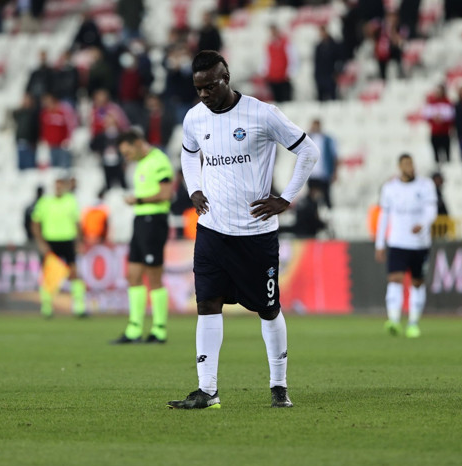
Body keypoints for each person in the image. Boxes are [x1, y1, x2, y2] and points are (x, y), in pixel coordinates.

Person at [168, 50, 320, 410]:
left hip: (256, 234)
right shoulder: (194, 119)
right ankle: (208, 391)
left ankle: (279, 386)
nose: (203, 94)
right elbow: (188, 154)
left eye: (209, 86)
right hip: (212, 231)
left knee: (268, 309)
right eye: (198, 88)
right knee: (207, 305)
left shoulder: (261, 114)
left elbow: (308, 152)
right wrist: (194, 189)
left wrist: (285, 199)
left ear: (226, 77)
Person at [110, 129, 175, 344]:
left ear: (138, 143)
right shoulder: (141, 164)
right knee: (133, 275)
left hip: (154, 221)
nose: (126, 156)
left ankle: (159, 329)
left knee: (153, 276)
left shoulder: (159, 161)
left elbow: (166, 193)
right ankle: (134, 329)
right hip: (140, 222)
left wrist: (137, 200)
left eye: (127, 152)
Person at [374, 154, 437, 338]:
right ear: (399, 166)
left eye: (411, 163)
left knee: (417, 282)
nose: (409, 167)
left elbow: (432, 211)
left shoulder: (426, 185)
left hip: (420, 243)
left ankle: (413, 323)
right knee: (395, 279)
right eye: (405, 164)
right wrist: (380, 243)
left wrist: (423, 224)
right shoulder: (390, 188)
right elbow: (384, 217)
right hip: (397, 241)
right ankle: (393, 320)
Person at [31, 176, 86, 318]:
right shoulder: (44, 202)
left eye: (61, 186)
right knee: (49, 275)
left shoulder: (71, 201)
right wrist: (41, 243)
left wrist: (79, 241)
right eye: (56, 185)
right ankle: (47, 307)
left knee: (74, 273)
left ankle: (79, 307)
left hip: (67, 240)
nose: (58, 188)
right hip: (51, 241)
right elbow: (35, 223)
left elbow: (77, 222)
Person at [39, 93, 77, 168]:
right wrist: (43, 139)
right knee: (53, 168)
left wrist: (68, 139)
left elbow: (71, 126)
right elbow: (43, 129)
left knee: (63, 167)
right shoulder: (44, 114)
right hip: (50, 146)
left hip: (62, 145)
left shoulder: (64, 113)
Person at [306, 118, 338, 209]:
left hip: (324, 174)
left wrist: (334, 172)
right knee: (311, 198)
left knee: (326, 196)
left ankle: (329, 214)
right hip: (311, 174)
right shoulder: (308, 138)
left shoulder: (327, 139)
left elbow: (334, 156)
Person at [263, 25, 297, 103]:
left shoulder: (286, 43)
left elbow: (292, 57)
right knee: (276, 100)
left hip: (284, 77)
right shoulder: (269, 45)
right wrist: (266, 72)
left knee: (286, 99)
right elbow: (266, 59)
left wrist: (290, 72)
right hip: (273, 77)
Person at [423, 85, 454, 165]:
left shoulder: (447, 102)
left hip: (445, 133)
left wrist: (441, 119)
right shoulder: (431, 103)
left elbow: (451, 117)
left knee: (447, 155)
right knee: (436, 156)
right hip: (435, 133)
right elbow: (427, 117)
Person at [314, 25, 342, 100]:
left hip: (331, 75)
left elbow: (339, 60)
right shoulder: (318, 47)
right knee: (321, 98)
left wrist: (337, 72)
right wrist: (316, 76)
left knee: (332, 97)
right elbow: (317, 63)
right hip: (321, 76)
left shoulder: (334, 45)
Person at [13, 93, 40, 170]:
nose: (25, 101)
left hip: (29, 143)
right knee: (21, 167)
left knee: (30, 168)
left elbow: (36, 128)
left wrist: (34, 141)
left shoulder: (34, 113)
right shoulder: (20, 113)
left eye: (27, 100)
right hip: (20, 141)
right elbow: (14, 115)